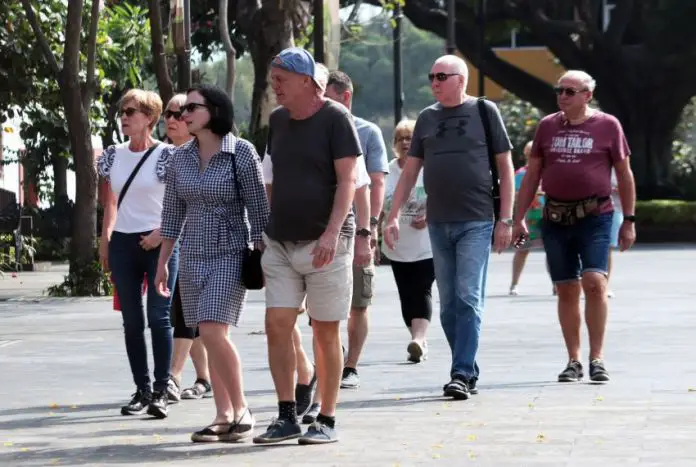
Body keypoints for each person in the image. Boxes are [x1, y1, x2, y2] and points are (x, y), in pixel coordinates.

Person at [253, 47, 368, 445]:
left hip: (326, 240)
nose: (274, 86)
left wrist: (333, 234)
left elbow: (349, 181)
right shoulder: (279, 120)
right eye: (273, 79)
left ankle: (327, 418)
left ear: (307, 81)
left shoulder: (336, 118)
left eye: (281, 79)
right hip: (282, 241)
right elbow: (272, 179)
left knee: (324, 329)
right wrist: (265, 228)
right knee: (276, 325)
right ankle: (287, 414)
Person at [384, 54, 515, 400]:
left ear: (461, 79)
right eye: (431, 77)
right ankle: (467, 366)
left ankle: (459, 371)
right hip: (438, 223)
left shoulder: (485, 112)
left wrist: (506, 219)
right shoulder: (427, 118)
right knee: (449, 306)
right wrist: (393, 215)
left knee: (468, 297)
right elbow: (410, 172)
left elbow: (505, 168)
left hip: (477, 220)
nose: (434, 83)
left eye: (441, 76)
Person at [155, 84, 269, 442]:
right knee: (209, 334)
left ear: (214, 111)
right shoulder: (179, 159)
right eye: (180, 110)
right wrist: (162, 263)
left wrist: (267, 255)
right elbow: (172, 216)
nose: (182, 115)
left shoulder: (242, 152)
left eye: (190, 108)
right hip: (191, 255)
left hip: (230, 251)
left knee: (213, 331)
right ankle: (223, 415)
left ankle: (243, 409)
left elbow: (259, 210)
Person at [513, 70, 636, 384]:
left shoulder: (608, 126)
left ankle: (598, 358)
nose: (563, 96)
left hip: (595, 215)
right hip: (556, 217)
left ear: (587, 95)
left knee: (594, 281)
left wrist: (630, 221)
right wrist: (518, 218)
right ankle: (574, 360)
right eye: (559, 90)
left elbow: (624, 175)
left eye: (570, 91)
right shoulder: (547, 127)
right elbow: (532, 176)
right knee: (566, 288)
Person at [97, 89, 179, 419]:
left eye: (131, 111)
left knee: (159, 319)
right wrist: (105, 238)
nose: (124, 117)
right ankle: (141, 389)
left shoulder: (168, 156)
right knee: (132, 321)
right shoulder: (112, 155)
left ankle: (162, 389)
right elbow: (110, 202)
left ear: (149, 117)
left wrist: (162, 234)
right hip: (123, 243)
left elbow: (179, 203)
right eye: (122, 112)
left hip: (160, 243)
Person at [323, 70, 389, 389]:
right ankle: (332, 357)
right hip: (321, 229)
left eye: (326, 96)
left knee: (358, 302)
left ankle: (351, 365)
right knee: (326, 303)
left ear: (344, 96)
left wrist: (370, 228)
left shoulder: (367, 132)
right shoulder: (310, 129)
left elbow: (376, 182)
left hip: (356, 228)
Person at [162, 93, 212, 402]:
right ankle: (205, 378)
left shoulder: (210, 153)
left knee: (188, 316)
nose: (171, 119)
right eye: (167, 113)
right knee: (194, 318)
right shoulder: (166, 157)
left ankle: (173, 376)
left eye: (178, 113)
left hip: (208, 247)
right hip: (173, 246)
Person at [380, 119, 435, 363]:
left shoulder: (429, 168)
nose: (405, 143)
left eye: (410, 138)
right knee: (406, 293)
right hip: (397, 244)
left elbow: (443, 194)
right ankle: (418, 339)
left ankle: (419, 339)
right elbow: (378, 204)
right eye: (400, 138)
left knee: (421, 288)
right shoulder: (387, 171)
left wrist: (430, 213)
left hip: (426, 244)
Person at [509, 141, 551, 296]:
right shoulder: (520, 174)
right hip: (527, 218)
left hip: (547, 216)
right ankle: (514, 284)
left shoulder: (548, 172)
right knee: (522, 250)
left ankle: (555, 283)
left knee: (552, 250)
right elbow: (515, 195)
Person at [606, 168, 622, 298]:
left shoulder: (617, 168)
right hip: (588, 209)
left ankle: (604, 285)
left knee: (607, 248)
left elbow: (627, 188)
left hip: (614, 209)